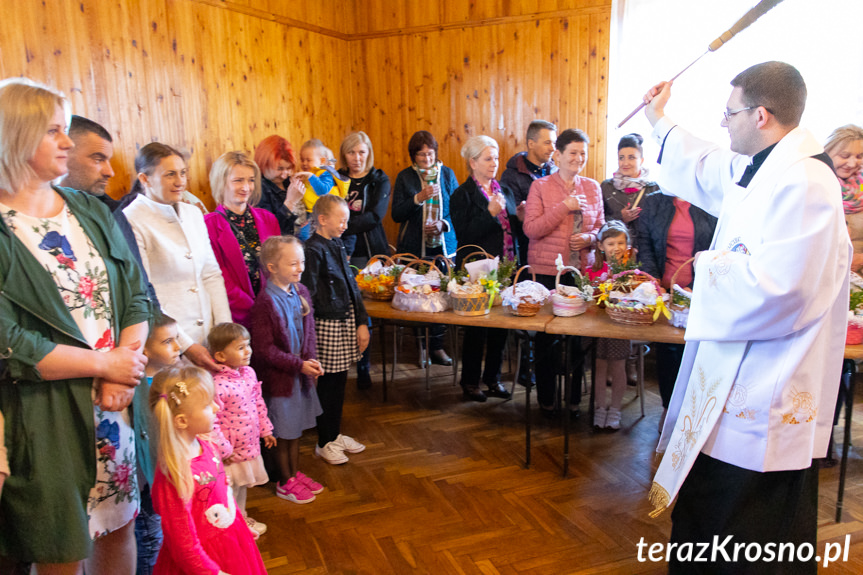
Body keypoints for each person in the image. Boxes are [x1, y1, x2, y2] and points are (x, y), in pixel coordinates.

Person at [643, 61, 849, 573]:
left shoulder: (805, 181)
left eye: (729, 112)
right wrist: (659, 121)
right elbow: (708, 164)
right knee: (712, 508)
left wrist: (706, 269)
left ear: (760, 115)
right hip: (737, 368)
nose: (722, 122)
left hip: (765, 384)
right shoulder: (767, 163)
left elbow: (782, 289)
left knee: (750, 524)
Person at [0, 78, 150, 574]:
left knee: (119, 527)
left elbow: (136, 295)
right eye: (53, 131)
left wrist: (120, 370)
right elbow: (10, 341)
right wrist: (105, 364)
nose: (67, 142)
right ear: (13, 137)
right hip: (43, 412)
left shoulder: (89, 209)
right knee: (60, 547)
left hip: (116, 403)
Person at [62, 114, 164, 575]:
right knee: (64, 533)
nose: (109, 170)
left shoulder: (104, 214)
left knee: (128, 511)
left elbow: (136, 291)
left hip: (122, 381)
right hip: (63, 390)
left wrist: (127, 366)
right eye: (97, 157)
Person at [149, 366, 267, 574]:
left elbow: (223, 495)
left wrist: (237, 527)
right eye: (207, 404)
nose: (216, 408)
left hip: (230, 542)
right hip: (202, 563)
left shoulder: (207, 445)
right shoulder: (175, 475)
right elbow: (183, 545)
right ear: (182, 420)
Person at [124, 142, 231, 372]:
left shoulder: (193, 213)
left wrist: (225, 332)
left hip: (209, 334)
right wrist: (186, 344)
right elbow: (144, 290)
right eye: (170, 174)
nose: (180, 181)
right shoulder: (131, 219)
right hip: (169, 342)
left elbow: (211, 274)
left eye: (183, 173)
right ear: (145, 179)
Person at [524, 128, 604, 418]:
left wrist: (590, 239)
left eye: (583, 153)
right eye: (573, 152)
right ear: (557, 155)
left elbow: (601, 227)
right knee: (547, 339)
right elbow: (531, 228)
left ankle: (573, 401)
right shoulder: (541, 187)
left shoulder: (593, 187)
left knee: (577, 339)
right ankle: (546, 399)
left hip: (580, 273)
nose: (579, 158)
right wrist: (563, 207)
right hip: (547, 274)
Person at [637, 183, 717, 430]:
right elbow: (644, 241)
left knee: (697, 353)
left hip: (700, 291)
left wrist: (696, 285)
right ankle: (668, 409)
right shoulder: (654, 201)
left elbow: (717, 246)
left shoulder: (711, 200)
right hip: (664, 292)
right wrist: (654, 281)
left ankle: (693, 414)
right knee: (668, 353)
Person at [250, 236, 324, 503]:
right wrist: (298, 365)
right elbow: (264, 350)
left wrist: (311, 360)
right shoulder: (265, 302)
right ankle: (284, 481)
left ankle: (294, 472)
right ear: (271, 266)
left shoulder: (301, 292)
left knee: (296, 429)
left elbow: (309, 332)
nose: (300, 268)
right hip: (279, 378)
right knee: (282, 432)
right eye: (293, 263)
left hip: (299, 376)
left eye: (301, 262)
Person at [300, 195, 370, 464]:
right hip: (326, 323)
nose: (345, 225)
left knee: (339, 382)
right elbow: (309, 296)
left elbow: (352, 287)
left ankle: (334, 433)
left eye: (347, 220)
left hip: (344, 319)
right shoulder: (312, 250)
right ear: (322, 219)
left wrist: (361, 321)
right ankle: (324, 441)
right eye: (341, 220)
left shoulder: (338, 244)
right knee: (328, 383)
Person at [450, 135, 519, 402]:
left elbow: (512, 228)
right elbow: (464, 233)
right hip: (475, 269)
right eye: (488, 159)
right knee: (477, 327)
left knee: (501, 325)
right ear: (473, 162)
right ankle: (470, 382)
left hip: (505, 266)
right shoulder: (462, 194)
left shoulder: (505, 190)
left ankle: (493, 378)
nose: (494, 163)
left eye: (496, 158)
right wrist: (488, 212)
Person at [390, 130, 458, 367]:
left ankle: (437, 347)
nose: (427, 159)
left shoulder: (447, 175)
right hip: (413, 249)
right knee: (417, 298)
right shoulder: (405, 177)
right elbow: (396, 214)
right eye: (421, 155)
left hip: (442, 249)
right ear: (413, 157)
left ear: (436, 153)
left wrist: (443, 224)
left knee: (440, 297)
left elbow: (457, 211)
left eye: (430, 154)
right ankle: (420, 346)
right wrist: (418, 197)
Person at [206, 322, 275, 537]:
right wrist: (224, 450)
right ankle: (231, 527)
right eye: (241, 348)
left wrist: (266, 430)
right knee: (230, 489)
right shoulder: (217, 384)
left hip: (249, 445)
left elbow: (258, 402)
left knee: (242, 486)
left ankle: (241, 519)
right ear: (220, 355)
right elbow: (212, 422)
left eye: (248, 345)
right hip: (230, 452)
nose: (248, 351)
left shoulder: (249, 373)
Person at [204, 151, 281, 327]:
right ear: (221, 182)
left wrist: (274, 303)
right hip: (238, 317)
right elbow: (219, 276)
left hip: (274, 310)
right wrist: (254, 309)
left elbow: (279, 264)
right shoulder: (208, 225)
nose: (246, 187)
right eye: (238, 180)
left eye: (251, 180)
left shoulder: (268, 219)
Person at [338, 131, 390, 388]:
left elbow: (374, 217)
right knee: (349, 310)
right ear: (344, 155)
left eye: (362, 152)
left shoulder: (379, 179)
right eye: (351, 152)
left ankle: (364, 366)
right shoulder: (335, 178)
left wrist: (340, 224)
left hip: (370, 253)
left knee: (365, 310)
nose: (357, 158)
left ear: (368, 153)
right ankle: (344, 362)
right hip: (340, 251)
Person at [139, 312, 184, 575]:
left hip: (170, 475)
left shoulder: (172, 380)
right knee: (150, 539)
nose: (178, 347)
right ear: (144, 348)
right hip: (150, 481)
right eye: (168, 341)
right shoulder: (140, 390)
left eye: (177, 339)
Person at [585, 222, 633, 430]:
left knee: (618, 366)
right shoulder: (592, 270)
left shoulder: (631, 271)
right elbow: (589, 299)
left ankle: (615, 409)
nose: (616, 247)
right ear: (601, 246)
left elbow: (632, 297)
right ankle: (600, 407)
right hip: (597, 326)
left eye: (621, 242)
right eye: (611, 243)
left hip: (620, 326)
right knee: (599, 367)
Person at [500, 119, 558, 267]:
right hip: (528, 252)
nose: (553, 148)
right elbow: (510, 218)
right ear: (531, 144)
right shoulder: (511, 175)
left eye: (554, 143)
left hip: (556, 249)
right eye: (547, 143)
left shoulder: (556, 172)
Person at [600, 133, 658, 252]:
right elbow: (598, 221)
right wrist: (620, 218)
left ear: (641, 160)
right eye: (621, 158)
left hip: (645, 253)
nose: (625, 163)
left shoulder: (653, 189)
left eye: (631, 157)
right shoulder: (606, 187)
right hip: (615, 254)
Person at [824, 124, 863, 273]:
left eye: (859, 156)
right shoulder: (816, 186)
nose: (853, 163)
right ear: (827, 152)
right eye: (845, 156)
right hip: (828, 274)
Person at [254, 135, 307, 237]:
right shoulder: (258, 190)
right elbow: (270, 231)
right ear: (264, 164)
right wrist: (290, 203)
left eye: (288, 168)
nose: (284, 174)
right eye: (279, 169)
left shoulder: (288, 181)